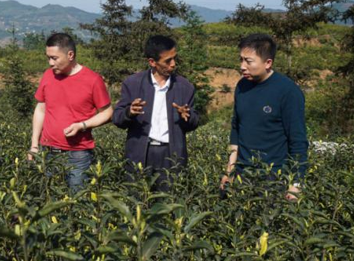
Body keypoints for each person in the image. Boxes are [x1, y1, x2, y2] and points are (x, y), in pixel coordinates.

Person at [219, 33, 308, 201]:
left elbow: (298, 141)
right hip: (242, 175)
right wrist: (229, 171)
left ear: (268, 63)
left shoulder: (288, 92)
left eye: (249, 61)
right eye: (241, 60)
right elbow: (236, 129)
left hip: (272, 178)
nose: (242, 66)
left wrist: (296, 183)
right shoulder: (242, 86)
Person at [28, 33, 113, 193]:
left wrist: (83, 125)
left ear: (70, 55)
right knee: (48, 199)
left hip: (78, 154)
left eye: (54, 58)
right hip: (48, 152)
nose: (50, 63)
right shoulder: (48, 75)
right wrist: (34, 144)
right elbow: (40, 109)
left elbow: (108, 112)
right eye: (48, 58)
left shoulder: (92, 80)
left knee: (77, 200)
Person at [113, 35, 199, 191]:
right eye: (168, 61)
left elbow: (194, 122)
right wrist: (129, 112)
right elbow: (117, 119)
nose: (173, 64)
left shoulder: (184, 87)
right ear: (152, 62)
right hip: (140, 153)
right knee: (137, 201)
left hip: (171, 154)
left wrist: (187, 116)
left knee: (170, 203)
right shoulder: (132, 84)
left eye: (174, 58)